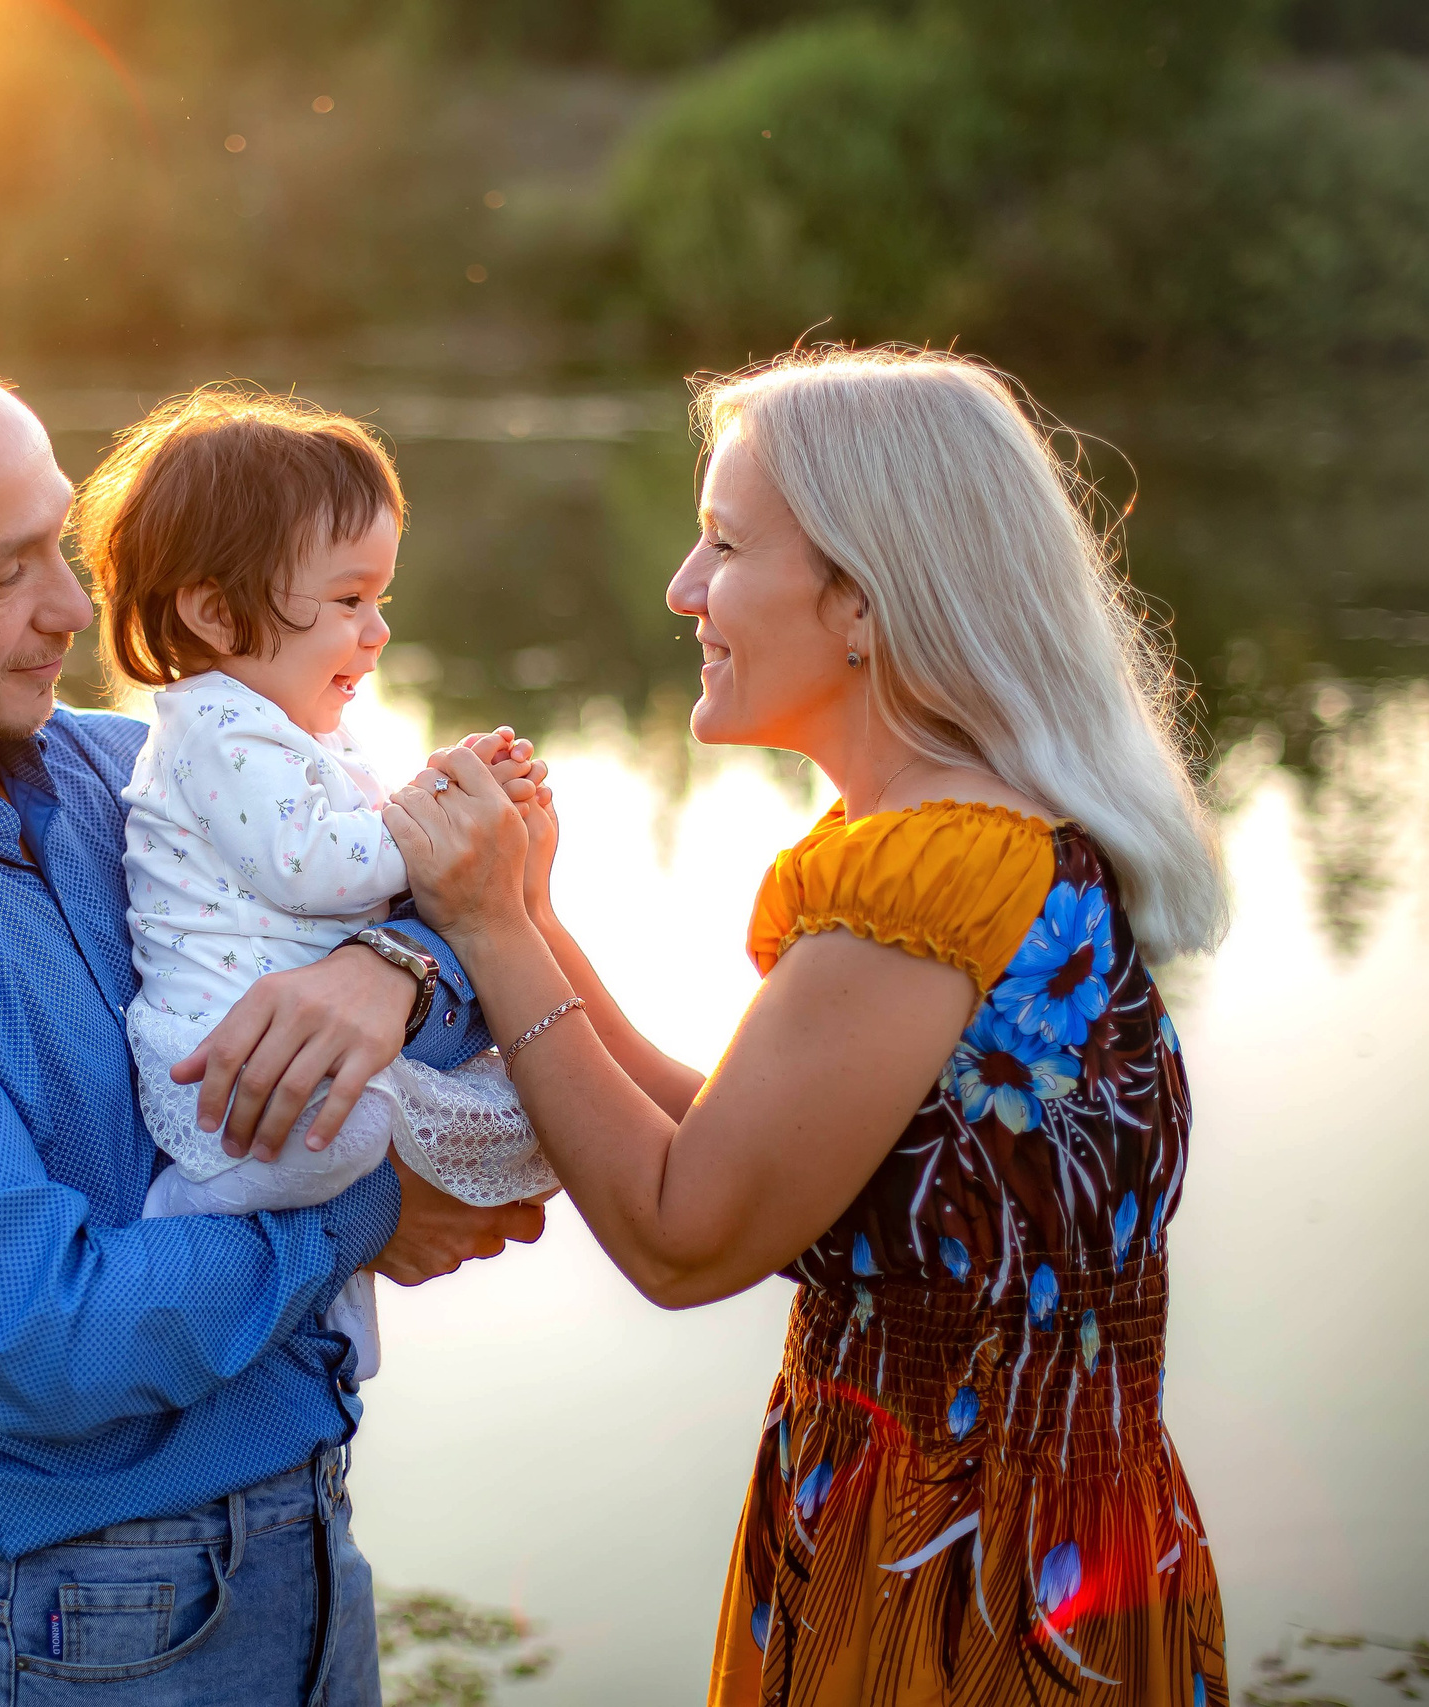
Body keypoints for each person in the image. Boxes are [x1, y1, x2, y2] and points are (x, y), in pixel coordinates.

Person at [309, 347, 1234, 1703]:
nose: (684, 589)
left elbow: (688, 1236)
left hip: (949, 1580)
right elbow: (765, 1156)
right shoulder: (1006, 842)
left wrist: (494, 934)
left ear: (861, 600)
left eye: (725, 545)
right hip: (1057, 1536)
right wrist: (534, 915)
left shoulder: (927, 873)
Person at [0, 343, 548, 1707]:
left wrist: (390, 966)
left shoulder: (127, 765)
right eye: (4, 572)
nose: (72, 603)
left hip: (307, 1538)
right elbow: (55, 1343)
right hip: (89, 1623)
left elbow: (443, 906)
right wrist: (370, 1209)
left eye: (57, 543)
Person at [74, 387, 559, 1382]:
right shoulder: (210, 722)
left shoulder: (296, 729)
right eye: (347, 602)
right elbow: (316, 868)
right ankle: (180, 1222)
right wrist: (441, 823)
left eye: (380, 598)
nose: (376, 632)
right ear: (213, 611)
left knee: (531, 1099)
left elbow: (351, 844)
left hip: (289, 1049)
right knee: (351, 1142)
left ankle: (322, 1310)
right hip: (230, 1060)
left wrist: (442, 795)